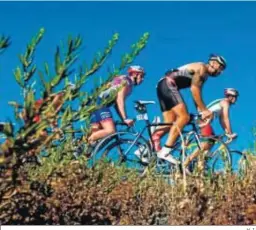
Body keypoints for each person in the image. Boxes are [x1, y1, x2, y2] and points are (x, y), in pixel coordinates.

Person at [151, 54, 227, 165]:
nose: (219, 72)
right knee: (184, 117)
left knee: (170, 122)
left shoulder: (203, 75)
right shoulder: (202, 69)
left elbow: (196, 96)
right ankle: (165, 151)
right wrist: (205, 110)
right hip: (169, 84)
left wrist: (201, 112)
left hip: (162, 85)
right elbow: (194, 89)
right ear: (214, 63)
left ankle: (144, 149)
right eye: (220, 68)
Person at [183, 88, 239, 172]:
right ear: (230, 97)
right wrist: (231, 133)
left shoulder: (222, 102)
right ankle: (186, 163)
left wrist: (227, 132)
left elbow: (222, 120)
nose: (236, 99)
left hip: (204, 120)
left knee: (211, 143)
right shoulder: (225, 102)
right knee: (207, 142)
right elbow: (226, 118)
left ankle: (199, 169)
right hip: (203, 120)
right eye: (235, 97)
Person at [88, 65, 145, 144]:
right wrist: (125, 118)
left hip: (94, 104)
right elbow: (120, 100)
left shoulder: (124, 79)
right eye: (141, 76)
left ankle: (78, 148)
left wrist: (123, 120)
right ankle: (84, 142)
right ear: (135, 74)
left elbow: (116, 105)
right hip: (100, 103)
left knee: (96, 136)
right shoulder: (126, 82)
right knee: (110, 131)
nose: (142, 79)